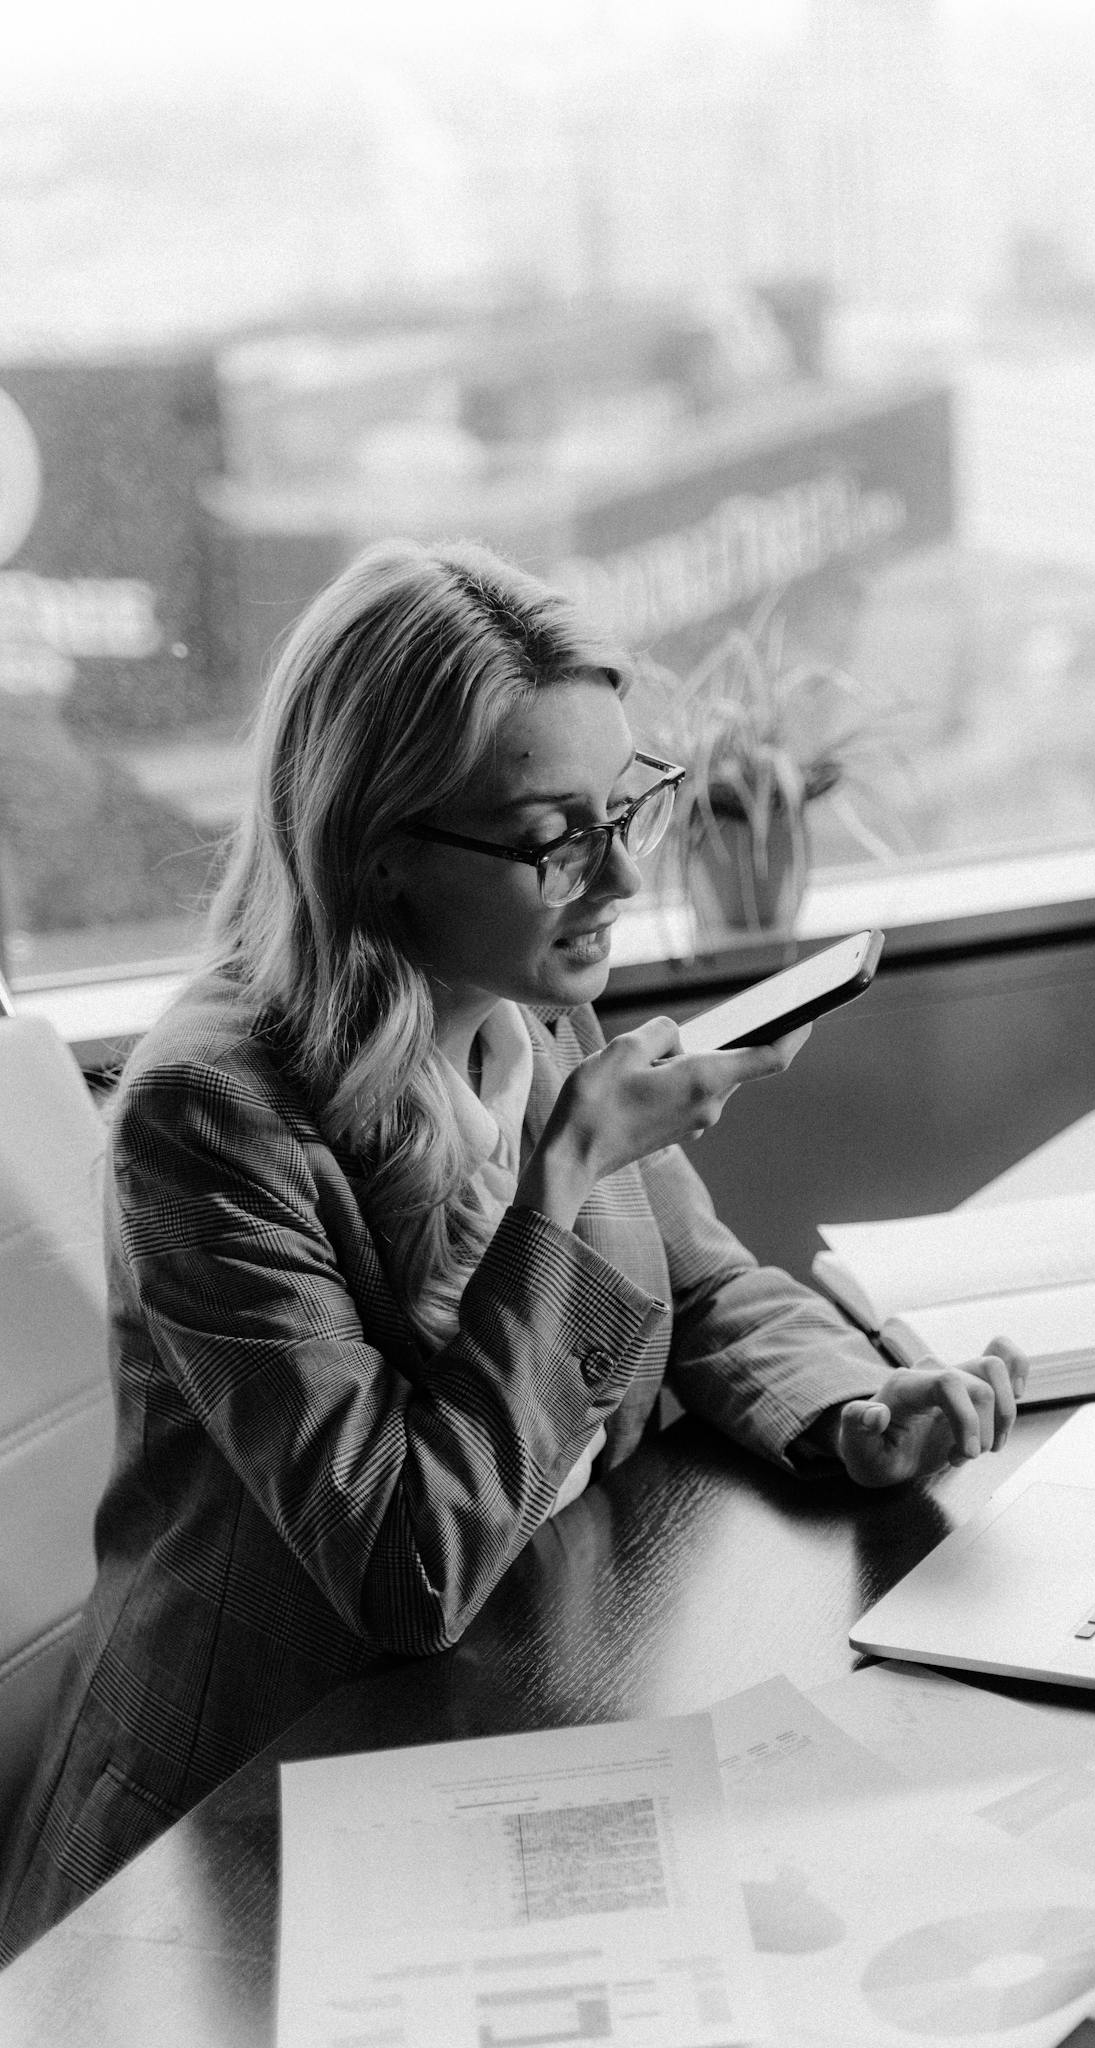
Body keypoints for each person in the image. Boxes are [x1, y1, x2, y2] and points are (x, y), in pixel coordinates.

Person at [0, 539, 1025, 1960]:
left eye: (625, 810)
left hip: (509, 1718)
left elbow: (705, 1288)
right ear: (378, 855)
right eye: (554, 836)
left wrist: (851, 1410)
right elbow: (406, 1568)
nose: (615, 876)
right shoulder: (213, 1120)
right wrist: (563, 1177)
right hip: (243, 1839)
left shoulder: (532, 1012)